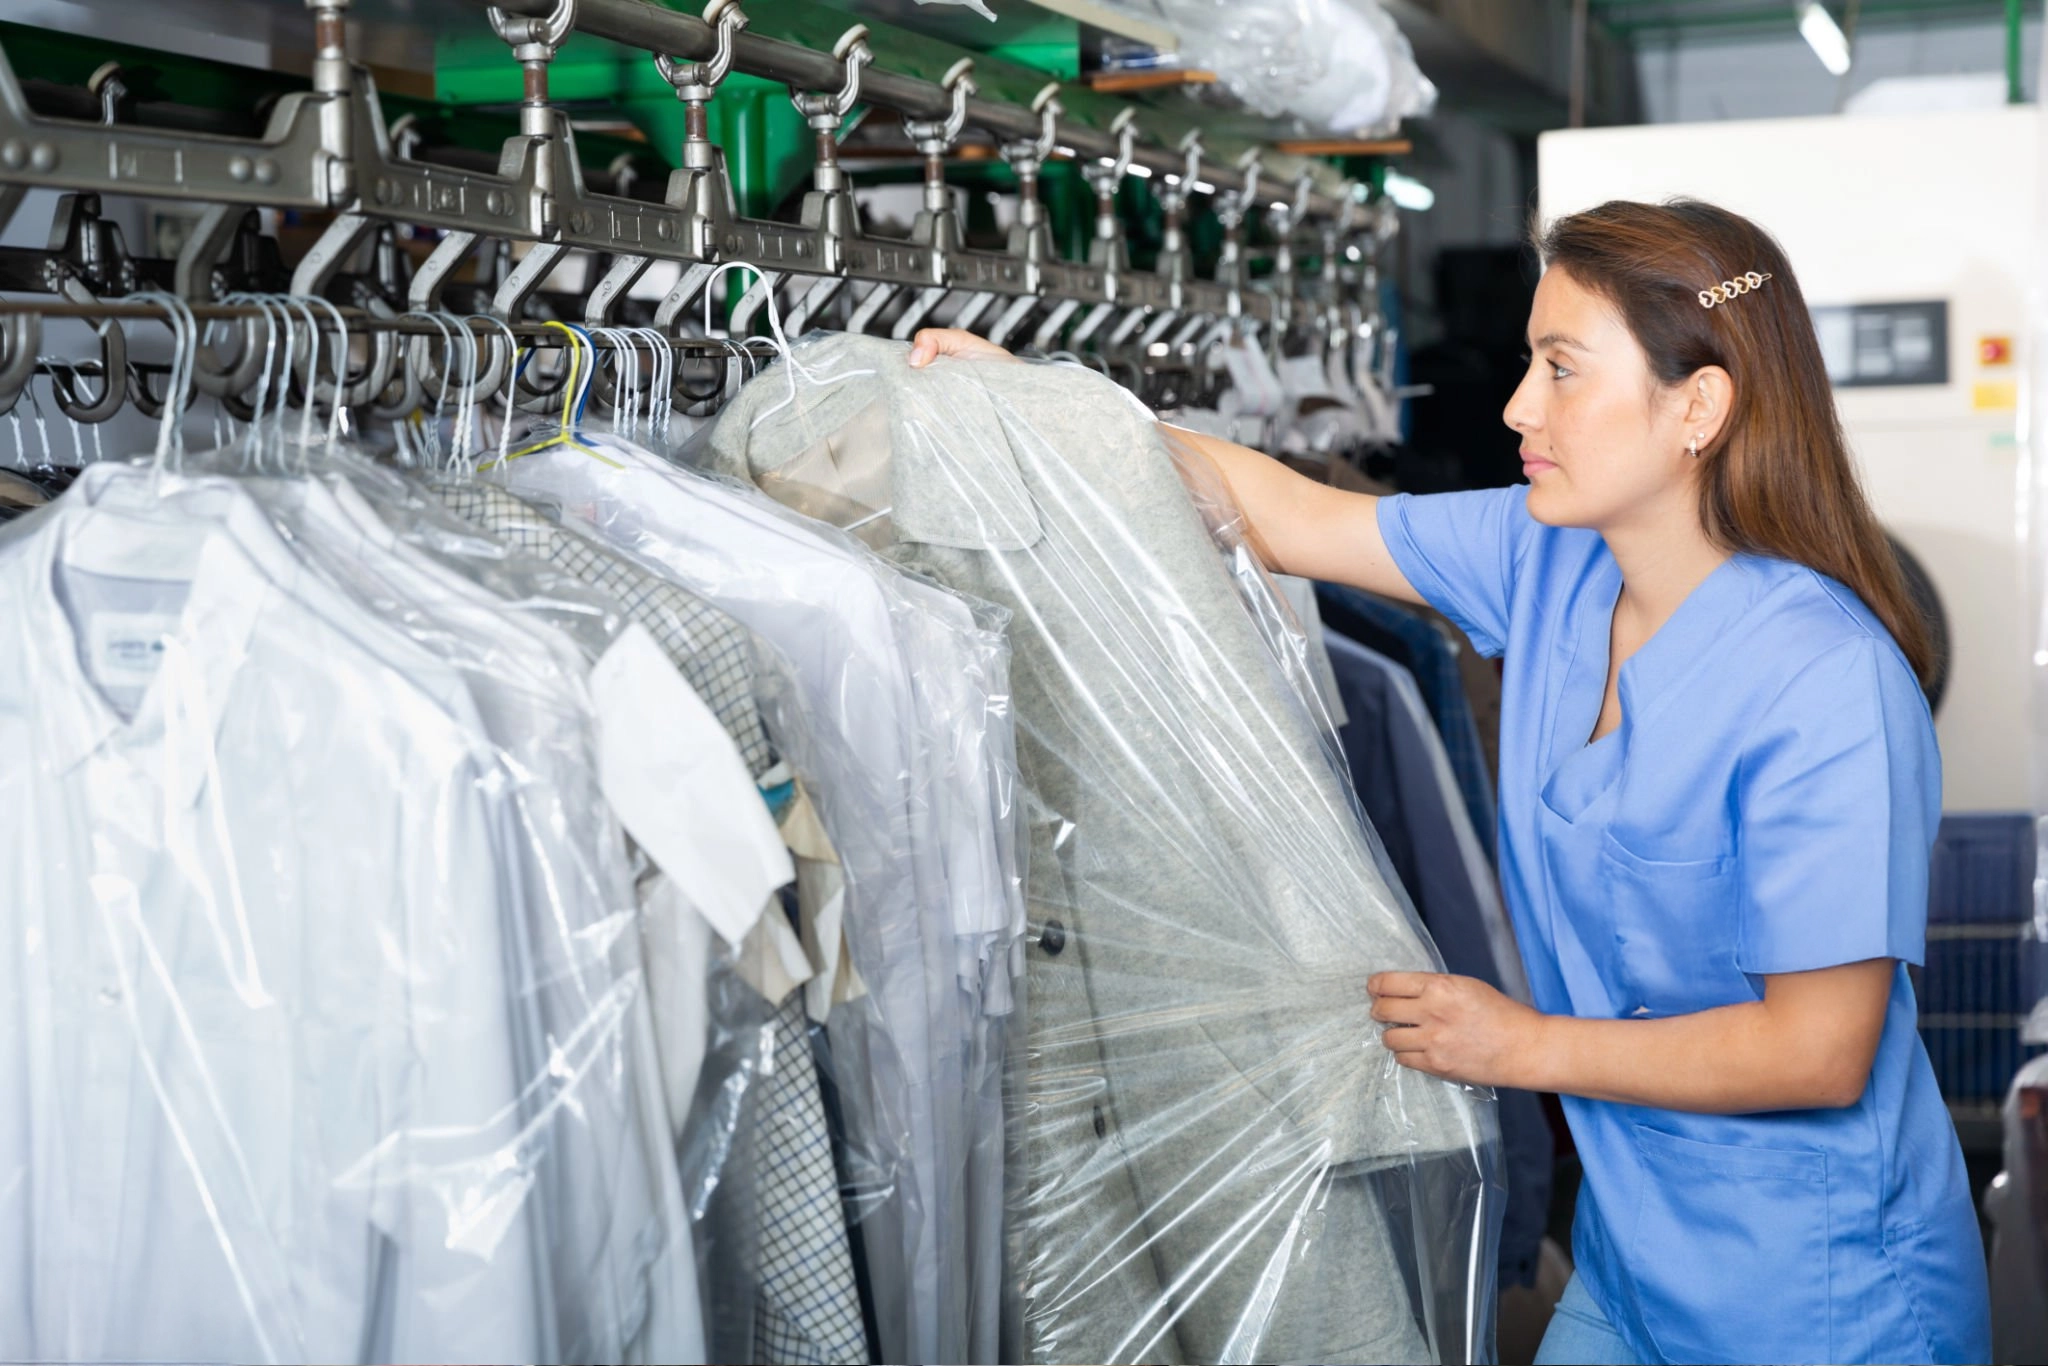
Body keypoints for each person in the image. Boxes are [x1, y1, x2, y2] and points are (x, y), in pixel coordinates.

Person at [906, 198, 1991, 1366]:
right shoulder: (1546, 557)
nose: (1518, 406)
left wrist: (1519, 1046)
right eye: (1531, 361)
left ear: (1699, 405)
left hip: (1824, 1297)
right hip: (1630, 1268)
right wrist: (1037, 408)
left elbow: (1812, 1050)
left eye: (1561, 369)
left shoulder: (1826, 680)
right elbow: (1279, 509)